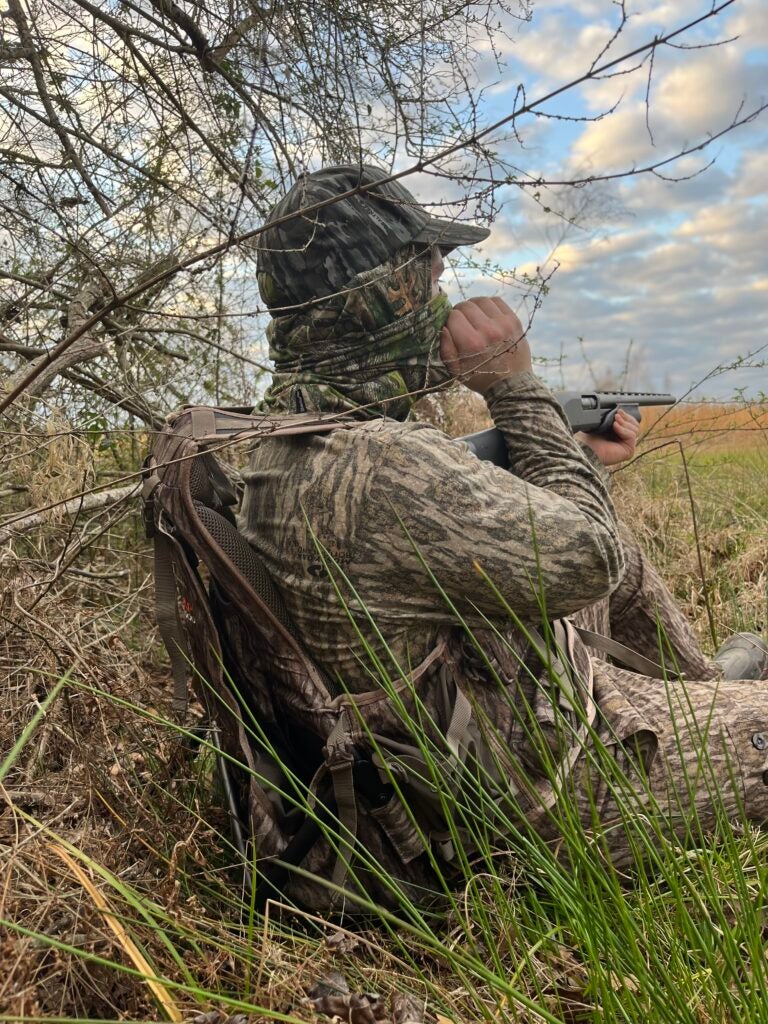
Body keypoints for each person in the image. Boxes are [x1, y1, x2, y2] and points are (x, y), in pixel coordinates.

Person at [240, 163, 768, 868]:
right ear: (384, 301)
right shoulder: (385, 469)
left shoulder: (285, 443)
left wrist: (559, 452)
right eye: (426, 281)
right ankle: (720, 714)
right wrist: (517, 389)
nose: (441, 301)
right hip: (543, 796)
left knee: (616, 555)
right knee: (610, 554)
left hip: (464, 731)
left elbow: (445, 519)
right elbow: (590, 553)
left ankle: (700, 691)